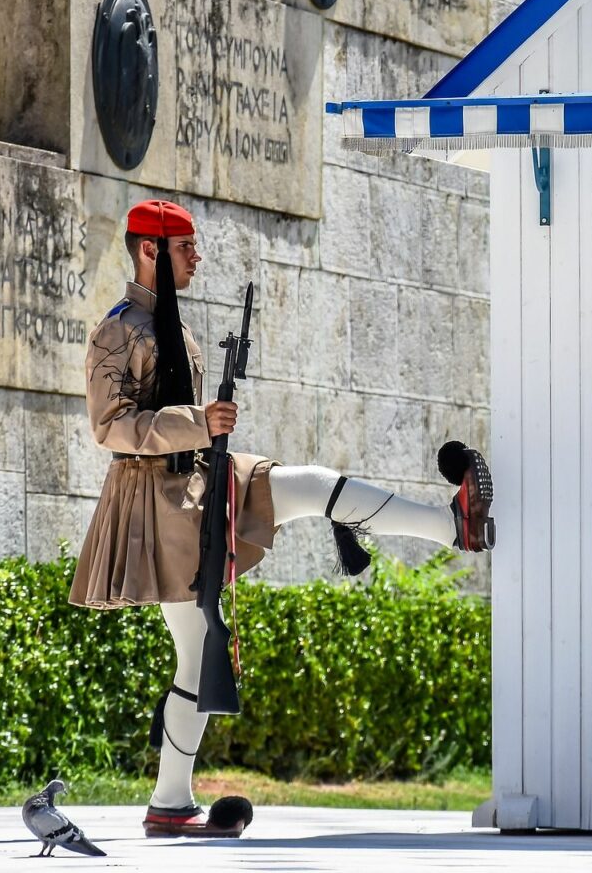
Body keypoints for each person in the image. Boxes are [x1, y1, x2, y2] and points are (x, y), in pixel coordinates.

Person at [69, 198, 495, 838]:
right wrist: (197, 421)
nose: (197, 257)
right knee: (195, 651)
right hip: (159, 504)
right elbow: (111, 428)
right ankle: (169, 803)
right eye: (185, 247)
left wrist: (206, 430)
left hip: (199, 483)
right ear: (149, 250)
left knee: (308, 488)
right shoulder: (117, 331)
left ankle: (453, 524)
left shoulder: (175, 332)